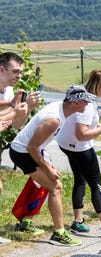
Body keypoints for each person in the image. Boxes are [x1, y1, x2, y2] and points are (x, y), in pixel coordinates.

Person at [9, 85, 95, 246]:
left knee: (48, 185)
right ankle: (59, 234)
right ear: (75, 103)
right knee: (55, 186)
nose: (87, 105)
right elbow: (31, 147)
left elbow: (37, 142)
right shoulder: (54, 119)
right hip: (23, 152)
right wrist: (47, 168)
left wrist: (46, 161)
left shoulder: (61, 111)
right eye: (85, 101)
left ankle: (26, 221)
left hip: (32, 150)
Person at [56, 70, 101, 236]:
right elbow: (82, 134)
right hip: (80, 146)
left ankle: (78, 221)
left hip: (66, 143)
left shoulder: (81, 96)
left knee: (80, 180)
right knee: (96, 183)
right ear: (100, 86)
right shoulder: (88, 104)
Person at [0, 52, 41, 245]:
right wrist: (12, 108)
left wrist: (27, 109)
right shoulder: (9, 97)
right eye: (15, 72)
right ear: (2, 69)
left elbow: (15, 124)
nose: (19, 76)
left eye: (21, 72)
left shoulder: (9, 91)